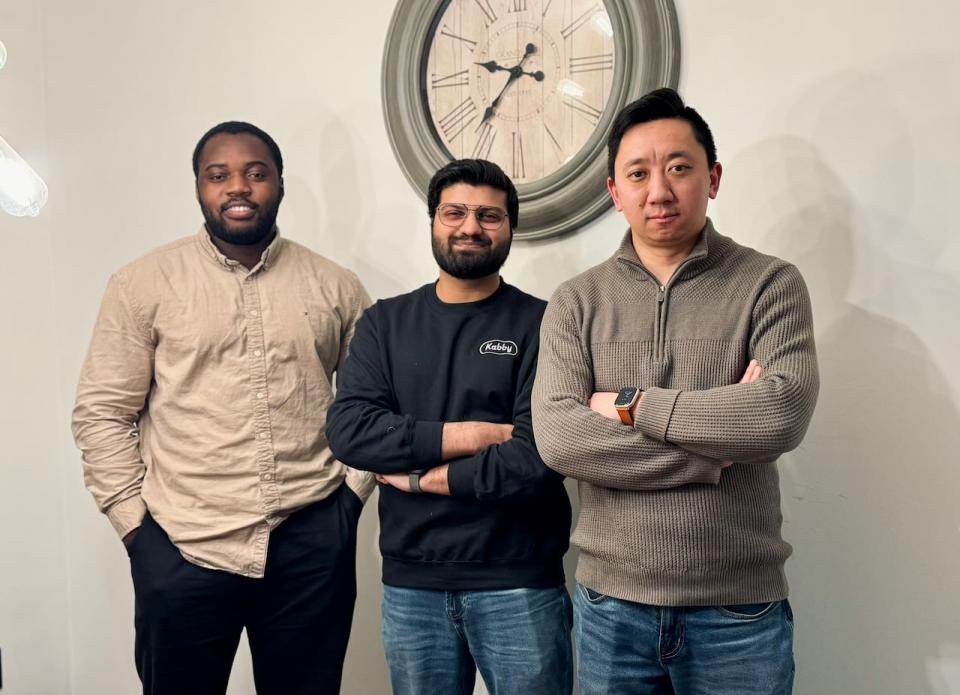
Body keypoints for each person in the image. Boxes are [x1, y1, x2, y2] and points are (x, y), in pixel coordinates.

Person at [531, 88, 819, 695]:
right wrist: (715, 448)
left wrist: (629, 405)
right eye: (638, 173)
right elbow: (559, 438)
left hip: (739, 612)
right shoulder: (576, 302)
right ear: (615, 192)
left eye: (678, 168)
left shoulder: (769, 284)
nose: (658, 190)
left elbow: (778, 417)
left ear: (712, 178)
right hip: (611, 610)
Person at [72, 121, 374, 695]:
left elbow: (370, 406)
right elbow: (103, 413)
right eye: (219, 175)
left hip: (308, 542)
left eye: (256, 173)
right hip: (183, 545)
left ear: (280, 184)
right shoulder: (143, 284)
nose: (239, 187)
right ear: (198, 189)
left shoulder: (336, 286)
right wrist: (135, 528)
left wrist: (347, 505)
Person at [326, 159, 573, 695]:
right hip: (412, 584)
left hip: (519, 581)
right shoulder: (385, 323)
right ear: (433, 220)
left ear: (511, 228)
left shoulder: (544, 323)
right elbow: (350, 431)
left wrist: (416, 477)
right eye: (454, 212)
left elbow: (538, 457)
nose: (470, 227)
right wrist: (477, 435)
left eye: (489, 215)